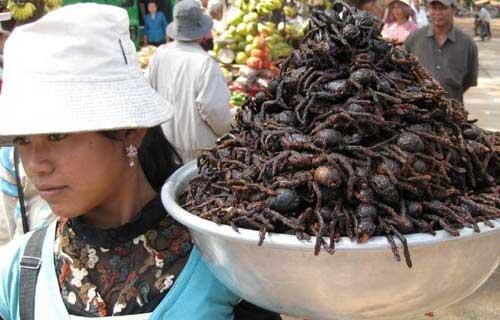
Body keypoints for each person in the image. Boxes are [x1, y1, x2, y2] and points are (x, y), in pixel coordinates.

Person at [0, 4, 281, 319]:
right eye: (23, 140)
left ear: (130, 132)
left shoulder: (225, 263)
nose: (36, 165)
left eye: (56, 136)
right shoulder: (18, 271)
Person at [146, 0, 233, 163]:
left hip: (166, 145)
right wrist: (231, 130)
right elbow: (215, 111)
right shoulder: (205, 63)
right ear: (201, 32)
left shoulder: (159, 55)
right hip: (197, 152)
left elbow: (148, 92)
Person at [405, 0, 478, 103]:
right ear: (428, 10)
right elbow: (403, 73)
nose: (438, 13)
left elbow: (468, 81)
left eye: (443, 8)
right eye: (434, 8)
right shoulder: (414, 39)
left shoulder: (467, 44)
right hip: (418, 110)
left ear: (453, 10)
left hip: (452, 111)